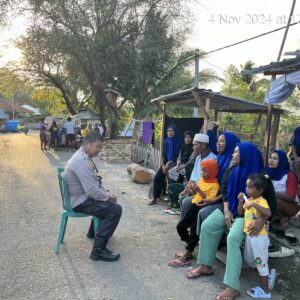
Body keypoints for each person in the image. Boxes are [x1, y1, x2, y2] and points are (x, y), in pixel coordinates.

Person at [185, 142, 276, 300]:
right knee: (208, 225)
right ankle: (206, 266)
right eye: (233, 152)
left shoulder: (262, 178)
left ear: (246, 155)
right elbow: (226, 192)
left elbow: (271, 206)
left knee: (233, 238)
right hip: (232, 208)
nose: (233, 155)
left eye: (236, 152)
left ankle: (232, 286)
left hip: (245, 215)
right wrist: (226, 210)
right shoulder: (234, 169)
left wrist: (262, 219)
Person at [63, 132, 122, 261]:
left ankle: (93, 233)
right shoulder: (81, 161)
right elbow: (91, 191)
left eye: (101, 147)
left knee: (107, 203)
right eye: (97, 147)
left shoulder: (84, 156)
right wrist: (107, 196)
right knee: (115, 209)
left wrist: (106, 193)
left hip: (79, 197)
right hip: (79, 202)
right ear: (87, 144)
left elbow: (95, 181)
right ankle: (98, 251)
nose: (99, 150)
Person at [168, 159, 219, 267]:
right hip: (194, 205)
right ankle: (190, 247)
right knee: (180, 226)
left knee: (194, 231)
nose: (202, 173)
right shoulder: (202, 180)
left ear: (212, 171)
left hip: (202, 207)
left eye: (205, 171)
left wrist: (199, 190)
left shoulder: (215, 185)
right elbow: (196, 193)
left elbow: (209, 200)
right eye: (201, 170)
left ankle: (187, 253)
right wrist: (192, 189)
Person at [238, 174, 273, 299]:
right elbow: (240, 212)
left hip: (259, 238)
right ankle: (267, 274)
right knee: (250, 259)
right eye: (247, 186)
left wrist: (254, 205)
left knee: (260, 262)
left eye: (250, 187)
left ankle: (265, 290)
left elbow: (268, 213)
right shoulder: (249, 199)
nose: (247, 189)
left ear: (260, 190)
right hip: (251, 236)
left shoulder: (261, 201)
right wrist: (241, 201)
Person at [167, 133, 217, 213]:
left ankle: (183, 215)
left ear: (203, 145)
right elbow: (193, 176)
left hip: (201, 191)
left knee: (184, 199)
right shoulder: (198, 157)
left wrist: (191, 189)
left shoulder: (212, 159)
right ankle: (178, 209)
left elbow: (205, 182)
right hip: (193, 187)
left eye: (195, 145)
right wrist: (188, 187)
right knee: (171, 187)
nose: (193, 148)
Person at [266, 150, 300, 242]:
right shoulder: (267, 172)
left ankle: (282, 218)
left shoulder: (289, 175)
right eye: (271, 158)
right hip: (275, 205)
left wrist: (271, 192)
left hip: (291, 207)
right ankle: (277, 217)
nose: (271, 161)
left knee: (271, 197)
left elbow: (291, 196)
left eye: (275, 159)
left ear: (281, 161)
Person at [148, 125, 182, 205]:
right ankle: (155, 197)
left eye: (172, 131)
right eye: (168, 131)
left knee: (171, 176)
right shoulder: (165, 142)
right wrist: (164, 165)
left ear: (175, 132)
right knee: (157, 177)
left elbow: (179, 155)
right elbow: (164, 155)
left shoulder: (179, 141)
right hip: (167, 163)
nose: (170, 132)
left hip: (177, 163)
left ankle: (172, 200)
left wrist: (169, 163)